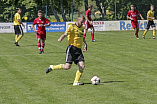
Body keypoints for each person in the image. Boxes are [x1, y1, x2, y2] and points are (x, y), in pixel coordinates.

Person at [46, 15, 87, 86]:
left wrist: (85, 45)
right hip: (72, 49)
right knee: (67, 67)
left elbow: (81, 38)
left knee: (82, 66)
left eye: (83, 22)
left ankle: (75, 82)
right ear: (78, 20)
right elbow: (65, 33)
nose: (82, 23)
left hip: (79, 50)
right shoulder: (72, 27)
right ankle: (52, 67)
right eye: (81, 21)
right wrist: (61, 38)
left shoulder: (82, 28)